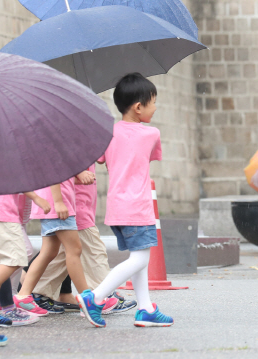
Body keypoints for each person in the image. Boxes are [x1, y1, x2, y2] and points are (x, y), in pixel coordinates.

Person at [77, 73, 173, 328]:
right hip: (138, 206)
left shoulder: (107, 132)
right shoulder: (151, 133)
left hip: (117, 208)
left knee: (137, 256)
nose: (155, 107)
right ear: (138, 106)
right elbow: (149, 156)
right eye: (153, 102)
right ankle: (95, 298)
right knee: (140, 259)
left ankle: (145, 309)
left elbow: (99, 159)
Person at [31, 165, 136, 314]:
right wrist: (78, 173)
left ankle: (36, 294)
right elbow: (55, 166)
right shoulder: (68, 145)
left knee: (60, 254)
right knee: (92, 250)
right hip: (71, 205)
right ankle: (100, 296)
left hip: (76, 202)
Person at [15, 179, 93, 316]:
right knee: (74, 250)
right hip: (57, 203)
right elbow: (52, 172)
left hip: (55, 202)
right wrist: (58, 202)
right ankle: (88, 301)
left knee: (49, 252)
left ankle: (23, 296)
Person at [0, 192, 48, 325]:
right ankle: (8, 308)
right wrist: (37, 197)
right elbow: (18, 174)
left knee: (6, 260)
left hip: (10, 210)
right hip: (4, 210)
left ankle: (8, 307)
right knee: (15, 257)